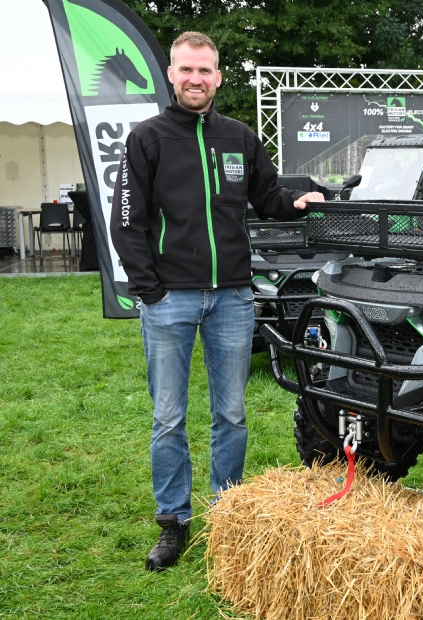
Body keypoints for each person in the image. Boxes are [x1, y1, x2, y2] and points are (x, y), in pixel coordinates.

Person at [111, 31, 326, 572]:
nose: (195, 80)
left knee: (231, 413)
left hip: (232, 296)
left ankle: (227, 513)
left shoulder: (239, 136)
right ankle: (173, 522)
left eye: (205, 71)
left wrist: (299, 203)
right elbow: (126, 224)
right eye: (186, 70)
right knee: (168, 417)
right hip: (170, 301)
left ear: (218, 77)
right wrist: (150, 291)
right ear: (171, 74)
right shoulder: (147, 139)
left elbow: (268, 196)